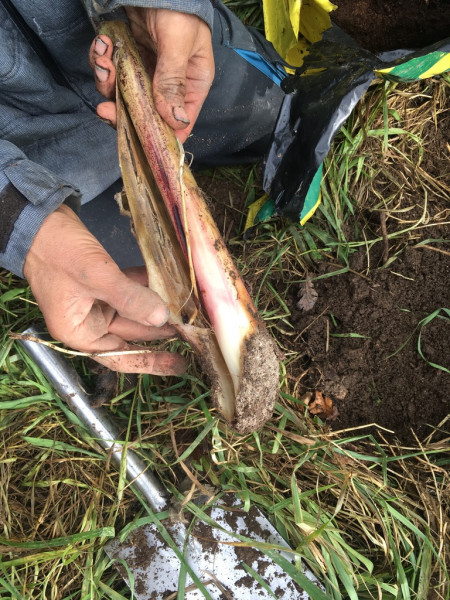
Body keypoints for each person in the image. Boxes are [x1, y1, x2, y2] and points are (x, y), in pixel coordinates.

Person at [0, 0, 284, 374]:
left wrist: (168, 5)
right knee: (130, 281)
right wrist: (29, 227)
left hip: (144, 43)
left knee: (271, 109)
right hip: (36, 158)